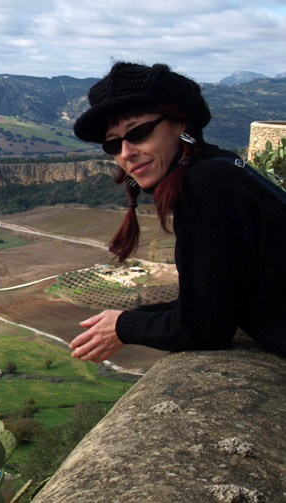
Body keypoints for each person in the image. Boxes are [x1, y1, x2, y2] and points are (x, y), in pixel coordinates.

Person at [68, 61, 286, 362]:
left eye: (139, 132)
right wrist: (127, 319)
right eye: (113, 145)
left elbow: (204, 328)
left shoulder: (205, 184)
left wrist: (124, 327)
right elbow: (207, 299)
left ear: (182, 125)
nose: (126, 153)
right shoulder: (219, 165)